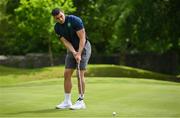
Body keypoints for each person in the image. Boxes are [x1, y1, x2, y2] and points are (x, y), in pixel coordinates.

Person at [51, 8, 91, 110]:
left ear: (63, 13)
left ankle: (81, 101)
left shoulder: (74, 20)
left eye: (61, 16)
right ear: (54, 19)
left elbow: (82, 38)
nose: (60, 19)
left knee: (79, 73)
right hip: (72, 49)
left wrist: (79, 53)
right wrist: (74, 52)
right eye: (57, 18)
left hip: (84, 47)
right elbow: (65, 42)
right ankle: (67, 101)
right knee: (67, 73)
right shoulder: (57, 28)